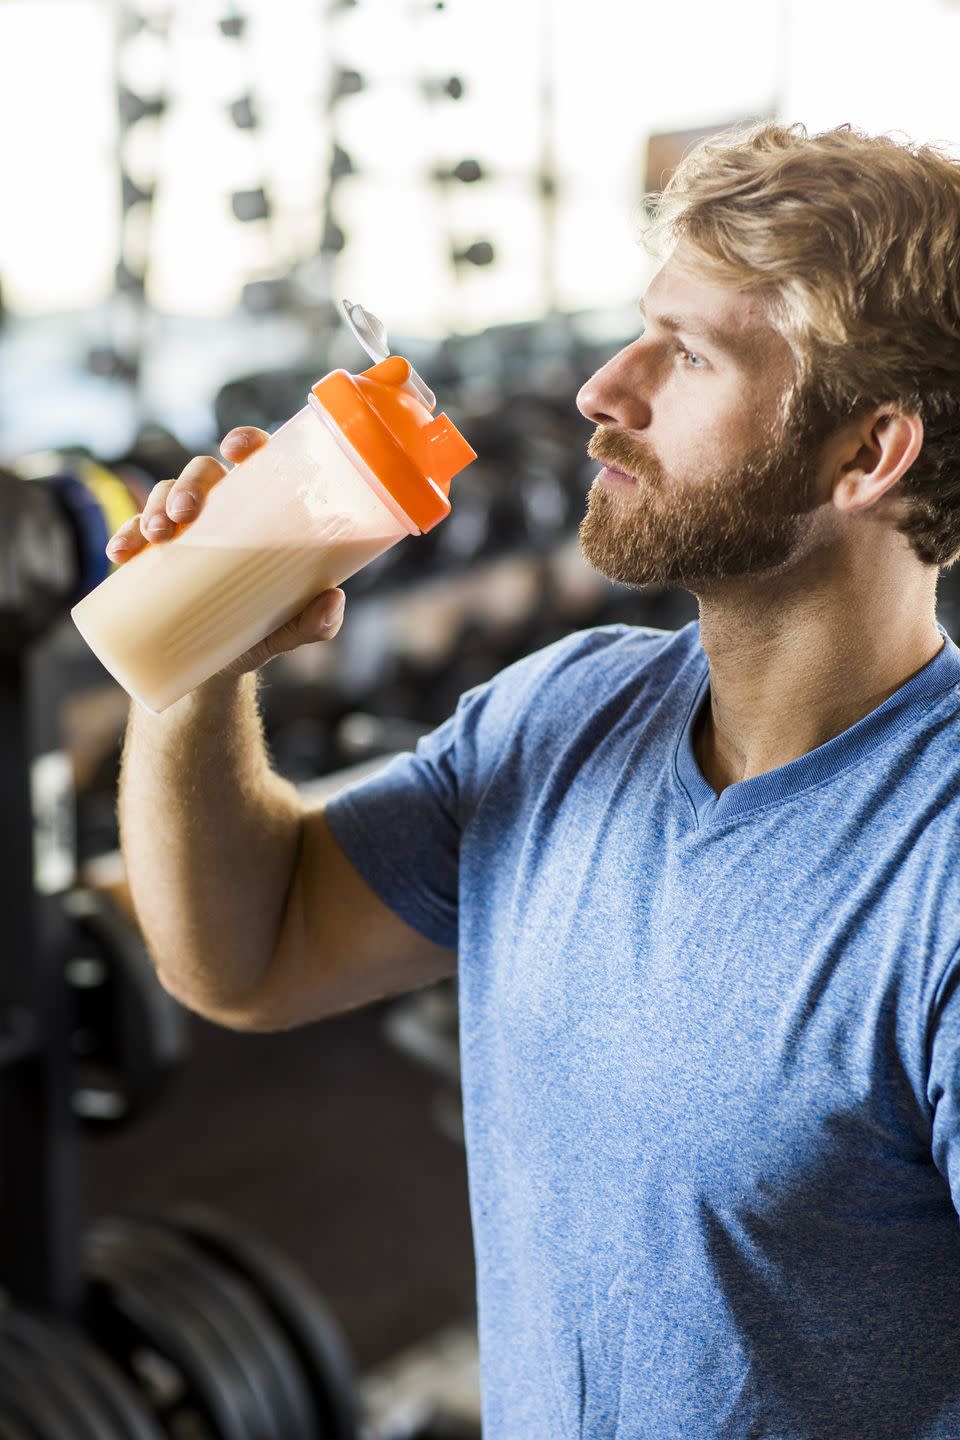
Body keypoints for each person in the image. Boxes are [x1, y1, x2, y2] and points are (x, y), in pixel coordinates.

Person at [112, 121, 960, 1438]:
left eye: (685, 355)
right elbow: (248, 952)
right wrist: (205, 655)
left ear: (869, 453)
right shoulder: (565, 715)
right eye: (640, 330)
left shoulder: (939, 871)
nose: (601, 390)